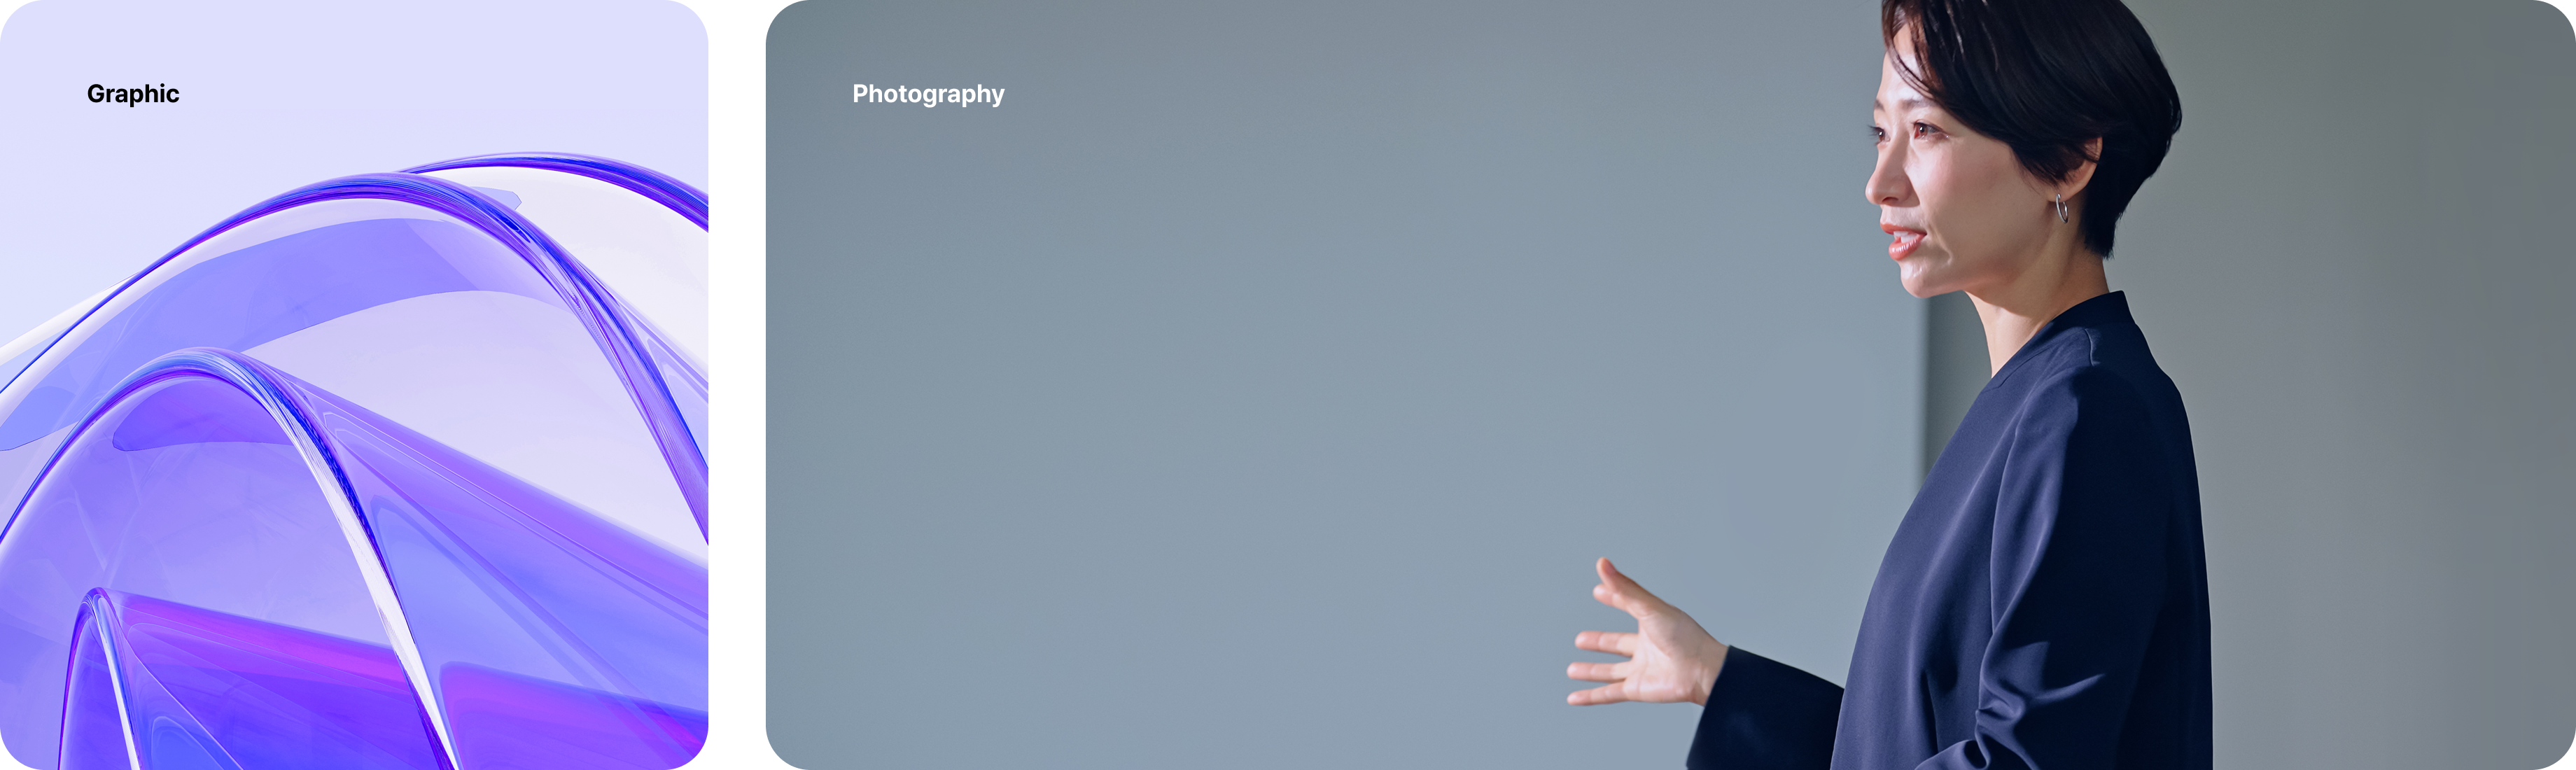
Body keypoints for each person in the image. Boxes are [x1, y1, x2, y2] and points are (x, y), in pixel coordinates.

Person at [1562, 0, 2206, 767]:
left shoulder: (2085, 409)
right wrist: (1719, 679)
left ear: (2067, 160)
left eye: (1925, 129)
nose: (1879, 182)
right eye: (1880, 132)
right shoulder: (2039, 402)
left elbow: (2026, 758)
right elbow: (1920, 741)